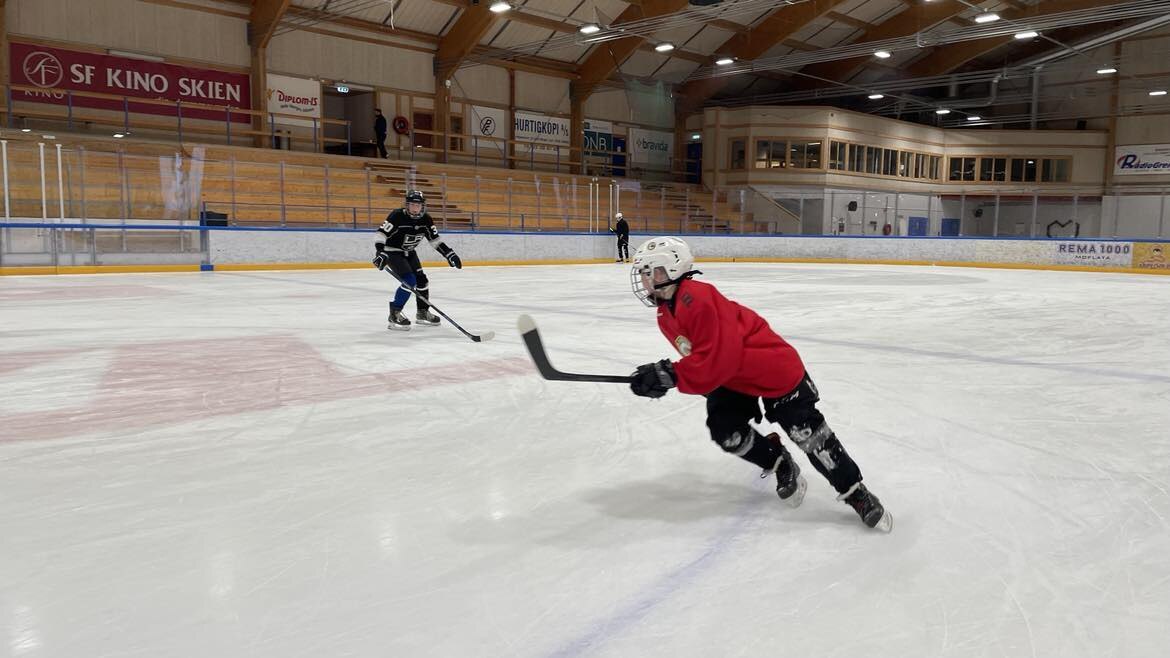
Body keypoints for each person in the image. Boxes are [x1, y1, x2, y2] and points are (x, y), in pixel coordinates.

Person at [626, 236, 891, 531]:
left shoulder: (698, 298)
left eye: (654, 272)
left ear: (675, 269)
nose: (648, 280)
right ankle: (779, 461)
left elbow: (719, 359)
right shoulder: (665, 313)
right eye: (644, 273)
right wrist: (665, 379)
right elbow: (705, 364)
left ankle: (856, 492)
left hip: (773, 370)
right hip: (734, 379)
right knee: (725, 430)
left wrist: (671, 374)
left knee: (810, 436)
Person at [372, 190, 463, 331]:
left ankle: (422, 313)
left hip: (410, 253)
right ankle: (394, 314)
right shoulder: (397, 216)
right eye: (412, 205)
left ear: (422, 206)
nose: (415, 208)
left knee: (422, 281)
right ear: (407, 205)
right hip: (393, 252)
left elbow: (435, 240)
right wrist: (380, 252)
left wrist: (449, 254)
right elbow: (381, 234)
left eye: (418, 205)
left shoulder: (426, 219)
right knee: (410, 280)